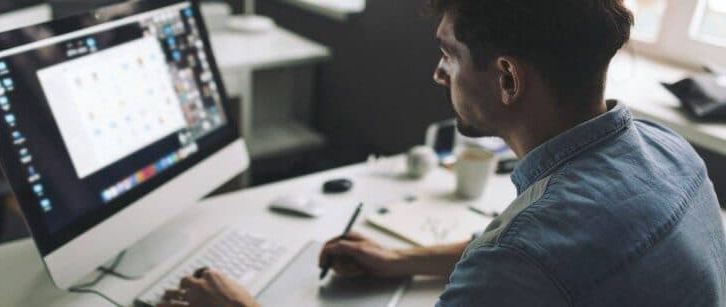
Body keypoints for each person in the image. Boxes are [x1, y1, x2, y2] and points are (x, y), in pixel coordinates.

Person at [158, 0, 726, 306]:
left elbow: (527, 259)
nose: (438, 72)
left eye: (449, 55)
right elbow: (556, 261)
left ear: (508, 78)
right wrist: (403, 260)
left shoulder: (521, 256)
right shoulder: (669, 150)